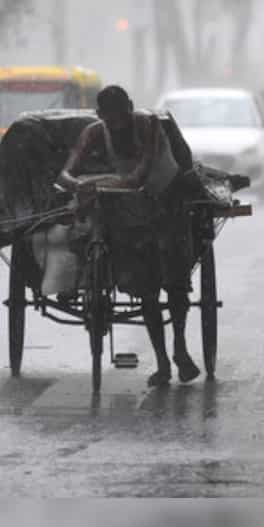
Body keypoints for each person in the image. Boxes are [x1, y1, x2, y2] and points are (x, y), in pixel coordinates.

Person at [57, 84, 200, 387]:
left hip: (167, 198)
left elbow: (142, 173)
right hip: (134, 209)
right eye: (110, 121)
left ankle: (180, 349)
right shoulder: (95, 132)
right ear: (100, 116)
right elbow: (66, 173)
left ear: (131, 108)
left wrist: (97, 183)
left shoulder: (148, 125)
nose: (117, 127)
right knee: (147, 290)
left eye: (121, 118)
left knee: (175, 285)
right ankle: (162, 362)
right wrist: (78, 185)